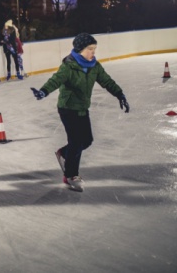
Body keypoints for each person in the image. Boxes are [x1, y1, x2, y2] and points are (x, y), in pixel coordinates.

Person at [30, 33, 130, 192]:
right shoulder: (69, 66)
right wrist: (44, 91)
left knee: (87, 140)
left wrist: (120, 94)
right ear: (80, 49)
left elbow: (107, 81)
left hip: (82, 108)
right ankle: (71, 175)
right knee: (76, 142)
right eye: (90, 49)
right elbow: (56, 80)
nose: (93, 52)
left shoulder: (94, 66)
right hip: (68, 108)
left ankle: (64, 153)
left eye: (94, 49)